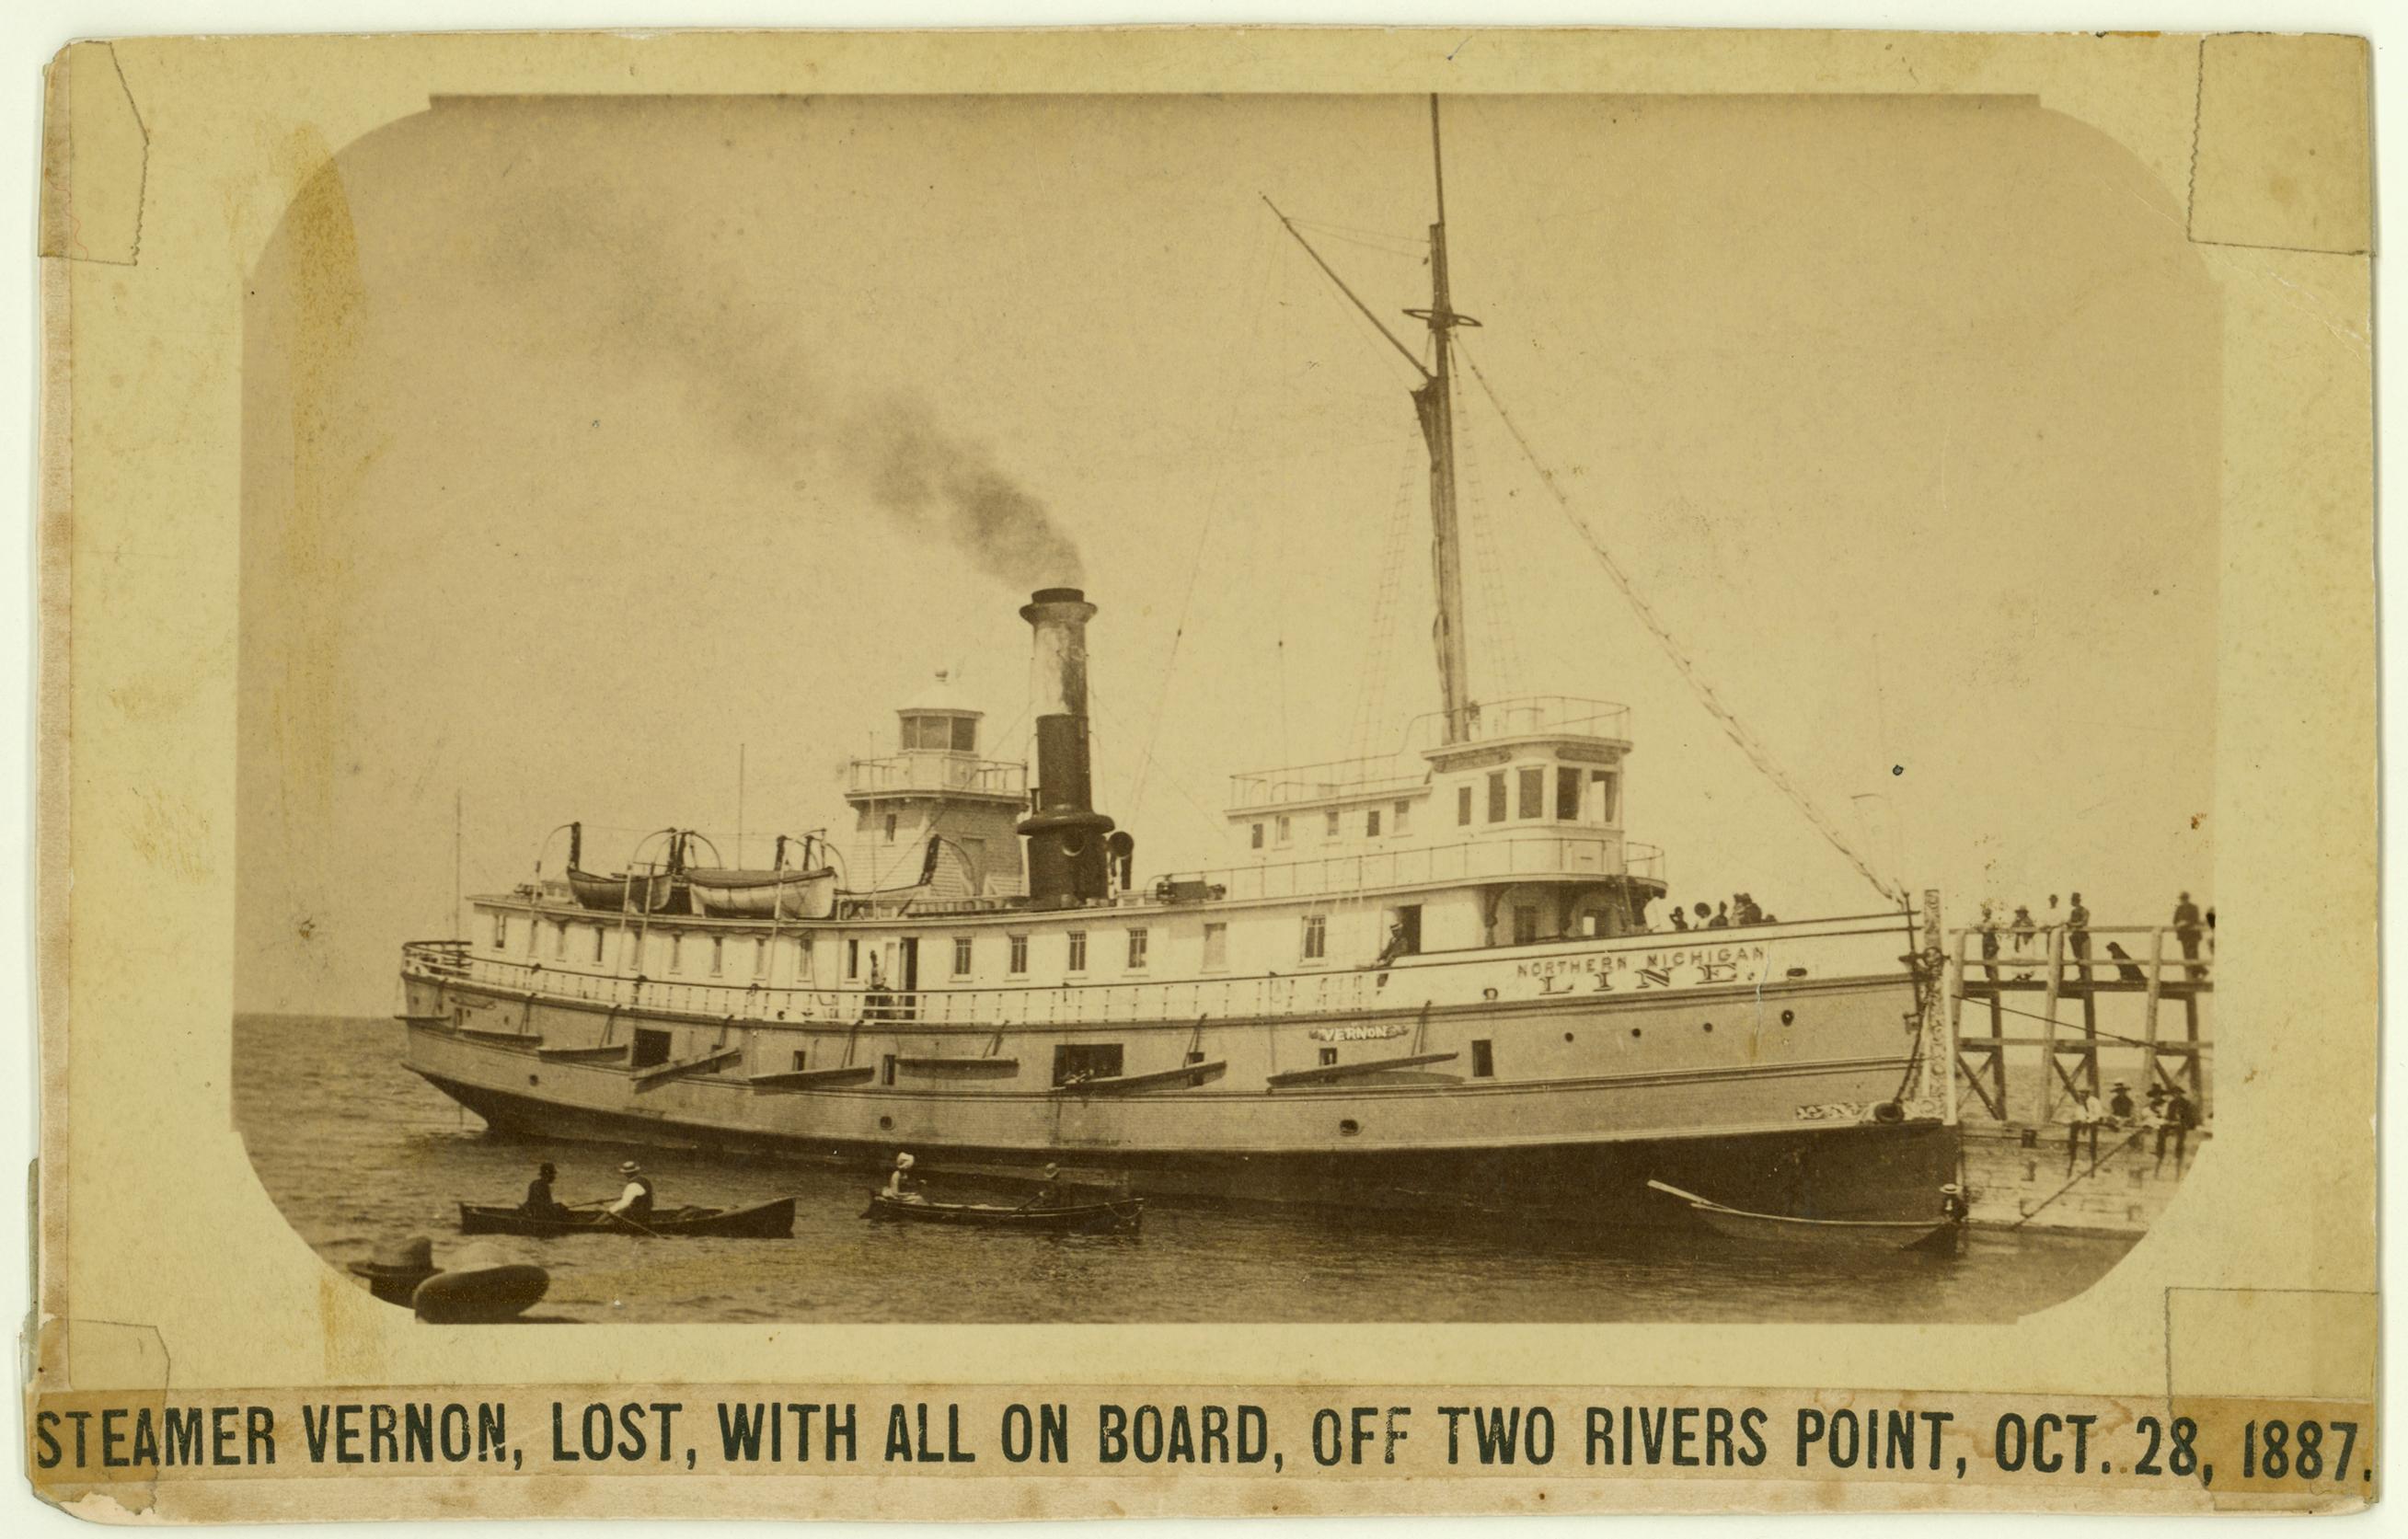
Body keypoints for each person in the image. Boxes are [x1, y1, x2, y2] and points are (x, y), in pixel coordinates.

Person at [2157, 1088, 2197, 1172]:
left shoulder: (2186, 1103)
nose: (2176, 1095)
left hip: (2183, 1123)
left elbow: (2189, 1116)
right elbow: (2169, 1115)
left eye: (2177, 1093)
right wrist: (2170, 1121)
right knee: (2161, 1129)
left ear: (2180, 1094)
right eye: (2174, 1093)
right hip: (2173, 1123)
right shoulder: (2172, 1103)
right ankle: (2160, 1151)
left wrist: (2181, 1121)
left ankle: (2179, 1152)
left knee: (2181, 1133)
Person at [605, 1159, 654, 1223]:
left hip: (636, 1216)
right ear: (637, 1172)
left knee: (609, 1220)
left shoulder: (633, 1185)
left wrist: (610, 1210)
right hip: (646, 1213)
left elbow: (625, 1202)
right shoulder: (645, 1180)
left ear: (626, 1174)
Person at [2065, 1090, 2103, 1172]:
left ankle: (2093, 1150)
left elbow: (2097, 1115)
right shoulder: (2081, 1102)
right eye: (2081, 1094)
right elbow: (2079, 1113)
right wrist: (2080, 1120)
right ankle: (2072, 1149)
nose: (2082, 1095)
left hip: (2093, 1121)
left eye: (2083, 1093)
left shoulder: (2094, 1101)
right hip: (2084, 1121)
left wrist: (2088, 1121)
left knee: (2093, 1130)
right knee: (2073, 1126)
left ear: (2087, 1094)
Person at [2172, 891, 2205, 980]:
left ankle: (2197, 974)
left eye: (2184, 898)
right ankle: (2194, 975)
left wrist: (2186, 922)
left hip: (2193, 935)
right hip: (2184, 936)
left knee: (2193, 954)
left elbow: (2195, 919)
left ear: (2188, 898)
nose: (2183, 900)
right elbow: (2174, 921)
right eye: (2182, 899)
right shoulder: (2179, 908)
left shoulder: (2194, 907)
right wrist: (2179, 923)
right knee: (2186, 956)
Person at [2067, 891, 2092, 981]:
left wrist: (2072, 924)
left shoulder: (2084, 911)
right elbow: (2069, 922)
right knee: (2078, 957)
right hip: (2075, 937)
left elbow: (2083, 922)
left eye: (2073, 900)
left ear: (2076, 901)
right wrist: (2068, 924)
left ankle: (2086, 978)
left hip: (2083, 937)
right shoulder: (2073, 912)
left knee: (2085, 958)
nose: (2072, 902)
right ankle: (2082, 976)